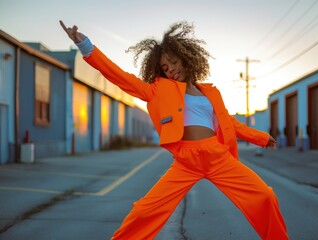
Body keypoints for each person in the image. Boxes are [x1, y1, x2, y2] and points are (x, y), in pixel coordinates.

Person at [60, 20, 289, 240]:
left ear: (186, 58)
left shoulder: (210, 93)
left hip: (218, 157)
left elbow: (230, 123)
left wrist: (261, 137)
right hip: (186, 161)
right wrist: (86, 45)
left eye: (173, 63)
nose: (170, 70)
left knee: (265, 196)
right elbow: (121, 77)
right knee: (144, 211)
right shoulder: (159, 90)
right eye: (165, 68)